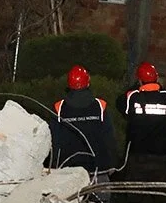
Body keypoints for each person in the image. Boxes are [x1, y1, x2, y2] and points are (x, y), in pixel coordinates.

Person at [118, 61, 166, 203]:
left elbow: (121, 103)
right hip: (161, 155)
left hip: (138, 155)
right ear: (156, 78)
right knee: (164, 197)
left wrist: (136, 87)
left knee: (134, 199)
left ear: (140, 80)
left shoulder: (133, 97)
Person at [48, 65, 117, 194]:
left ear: (69, 84)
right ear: (88, 82)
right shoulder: (100, 106)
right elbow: (109, 138)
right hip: (97, 171)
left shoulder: (59, 108)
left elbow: (54, 141)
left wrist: (54, 167)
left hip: (67, 173)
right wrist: (111, 164)